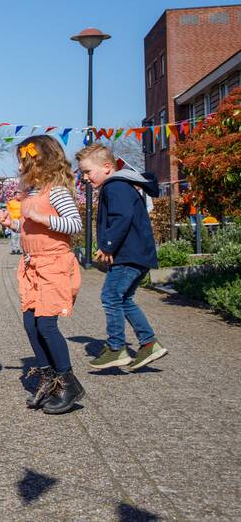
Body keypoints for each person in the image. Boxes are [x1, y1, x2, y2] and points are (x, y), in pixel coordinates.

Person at [0, 135, 84, 415]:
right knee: (30, 324)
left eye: (26, 160)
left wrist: (42, 219)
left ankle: (68, 383)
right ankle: (49, 379)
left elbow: (74, 224)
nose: (22, 165)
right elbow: (30, 229)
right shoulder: (30, 194)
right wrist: (12, 224)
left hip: (54, 265)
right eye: (21, 161)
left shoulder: (57, 191)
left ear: (42, 161)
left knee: (46, 325)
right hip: (32, 265)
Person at [76, 143, 169, 372]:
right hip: (138, 255)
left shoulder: (115, 186)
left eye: (88, 172)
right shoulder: (122, 185)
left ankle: (116, 347)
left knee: (110, 296)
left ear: (107, 167)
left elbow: (122, 217)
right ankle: (149, 343)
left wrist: (107, 246)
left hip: (130, 255)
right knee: (124, 298)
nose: (85, 177)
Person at [7, 189, 23, 255]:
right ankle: (13, 249)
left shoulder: (22, 203)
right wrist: (9, 220)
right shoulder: (10, 202)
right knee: (13, 236)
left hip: (20, 221)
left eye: (20, 195)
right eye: (18, 195)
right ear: (15, 195)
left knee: (19, 236)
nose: (20, 196)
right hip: (13, 221)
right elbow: (8, 211)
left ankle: (18, 249)